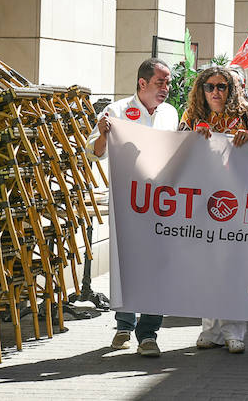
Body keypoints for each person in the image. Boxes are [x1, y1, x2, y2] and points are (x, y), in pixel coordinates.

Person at [91, 58, 177, 357]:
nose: (166, 88)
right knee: (127, 264)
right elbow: (94, 154)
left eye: (167, 82)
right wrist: (103, 133)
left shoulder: (170, 113)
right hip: (128, 201)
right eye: (160, 82)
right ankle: (124, 325)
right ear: (142, 83)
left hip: (162, 202)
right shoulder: (115, 111)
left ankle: (149, 333)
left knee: (159, 266)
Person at [180, 67, 248, 354]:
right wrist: (194, 136)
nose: (215, 91)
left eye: (221, 86)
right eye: (209, 86)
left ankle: (234, 331)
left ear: (231, 88)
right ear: (201, 90)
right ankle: (210, 328)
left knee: (234, 264)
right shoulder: (192, 115)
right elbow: (176, 146)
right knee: (209, 265)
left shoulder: (247, 113)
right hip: (204, 197)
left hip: (238, 198)